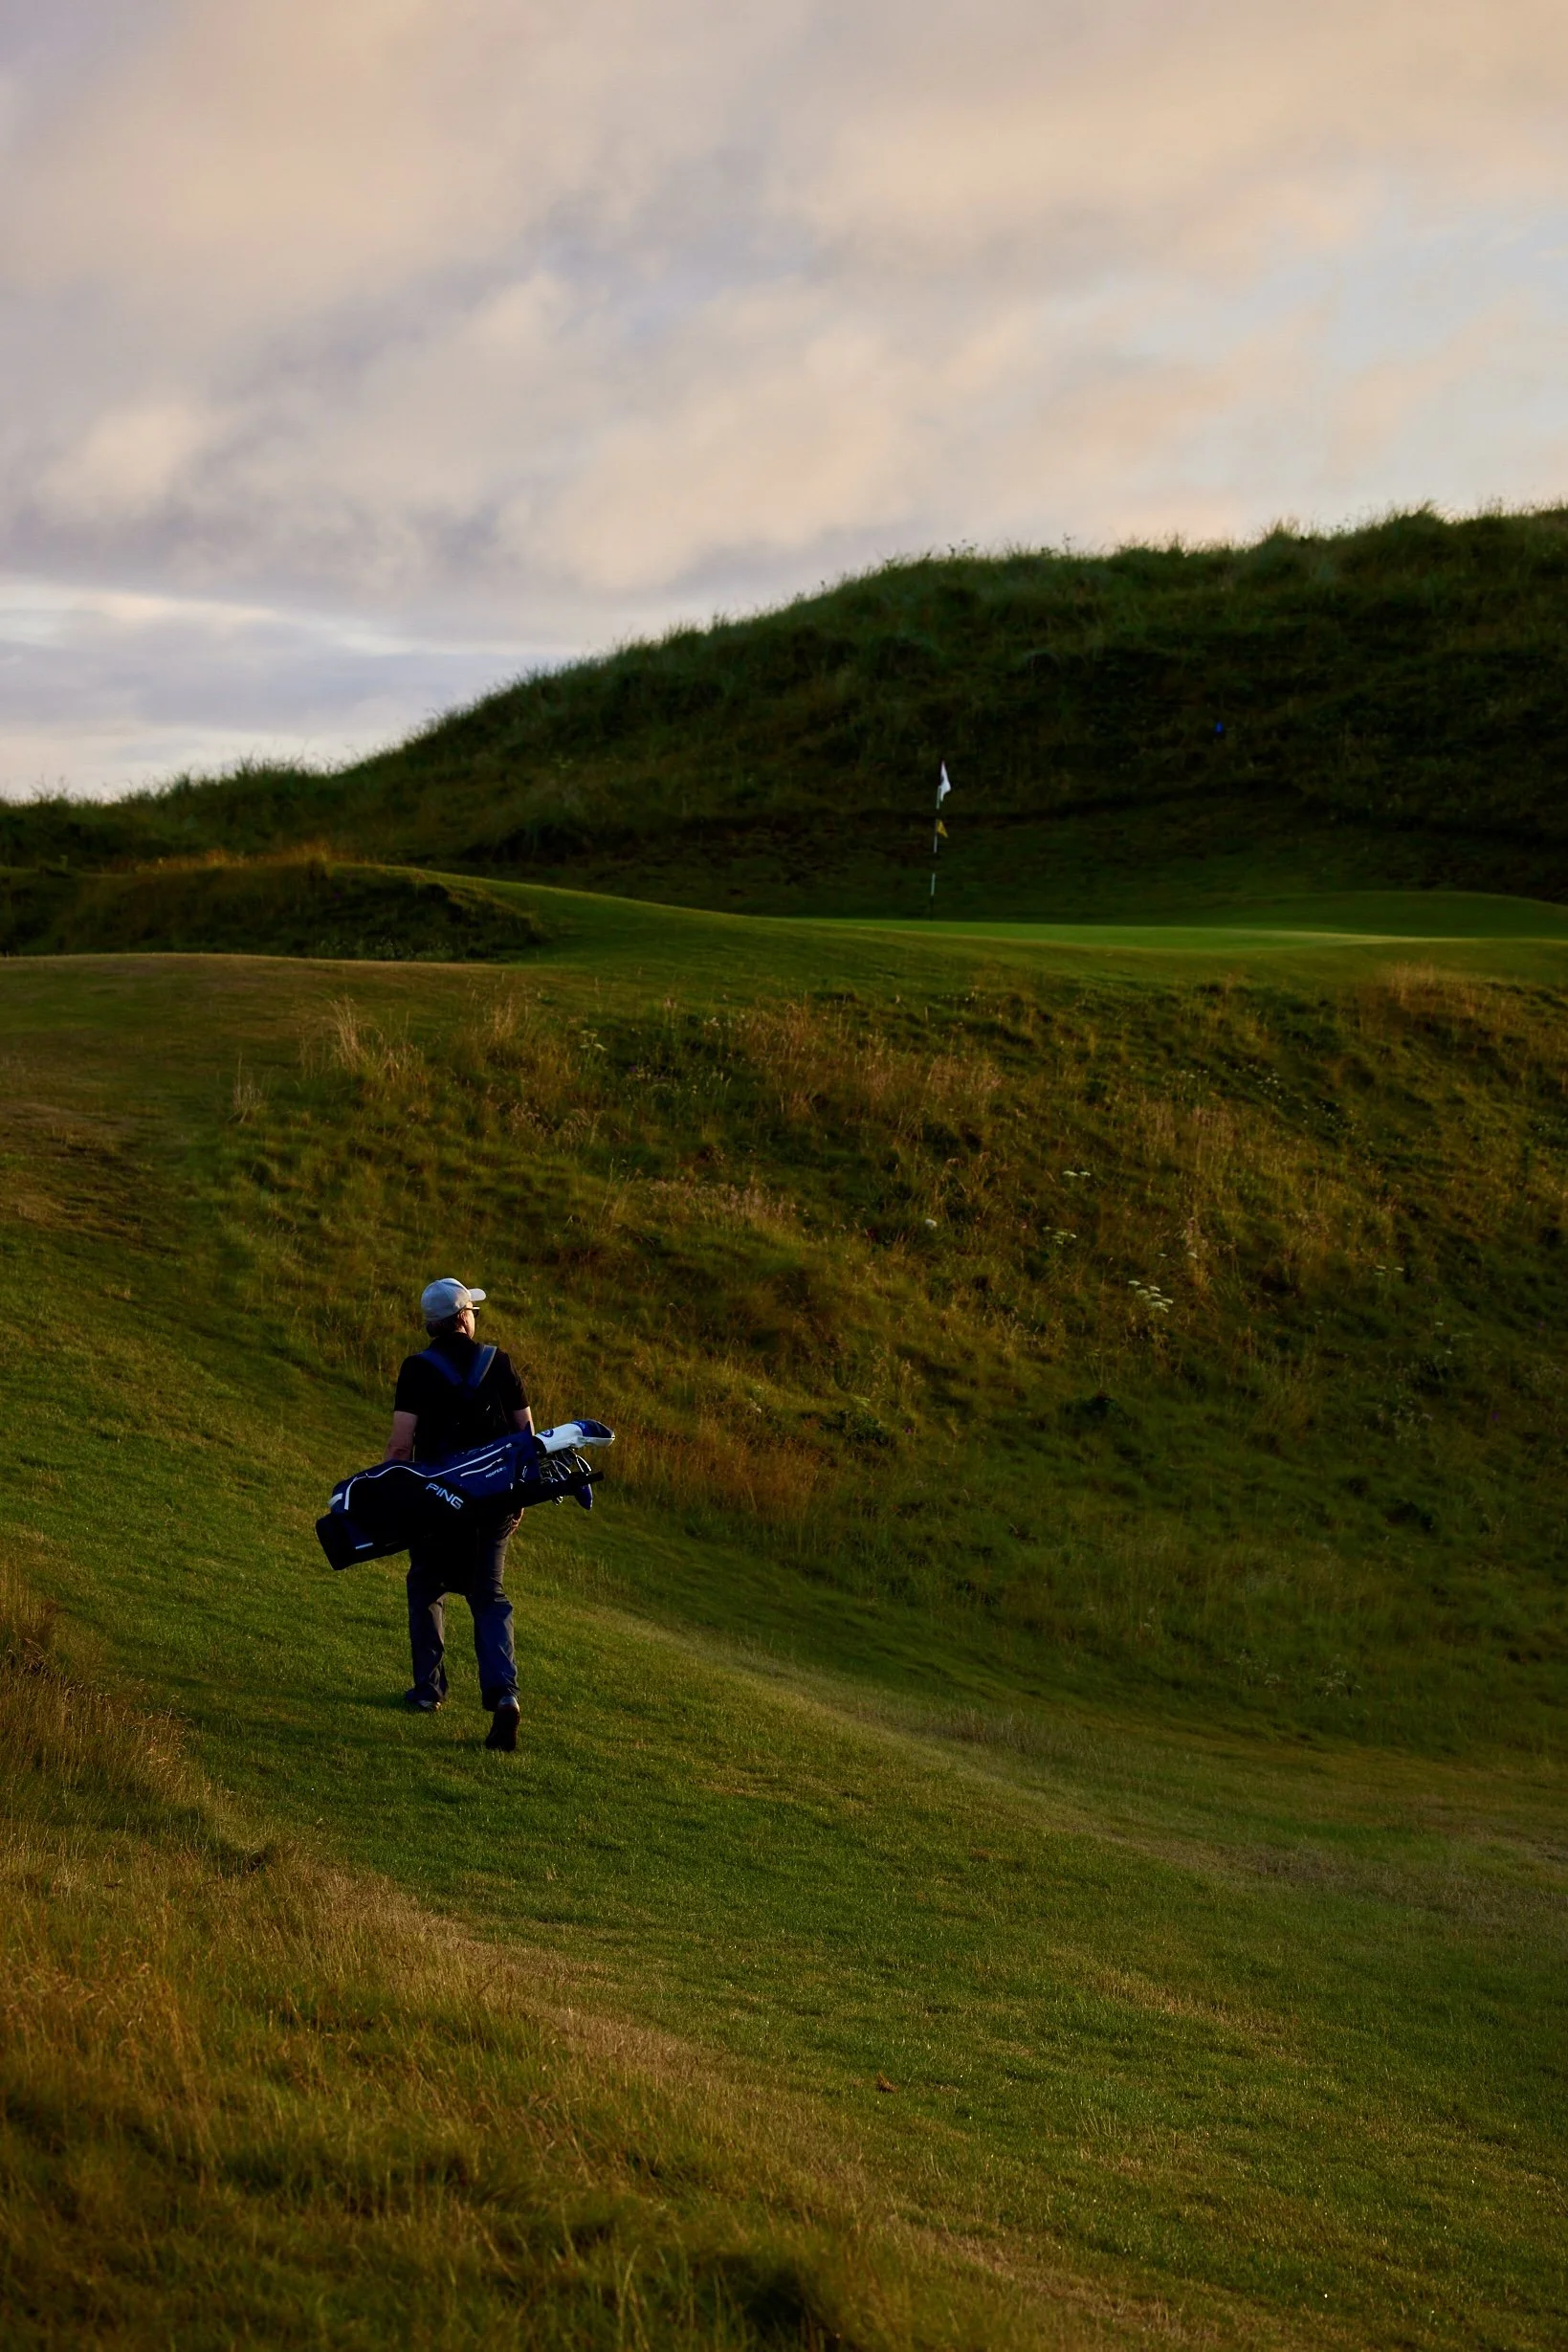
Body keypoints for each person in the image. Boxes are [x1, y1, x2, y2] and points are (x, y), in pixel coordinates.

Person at [387, 1277, 535, 1751]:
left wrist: (398, 1498)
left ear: (431, 1325)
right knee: (488, 1596)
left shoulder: (416, 1369)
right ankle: (505, 1696)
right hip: (493, 1500)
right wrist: (520, 1496)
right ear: (463, 1318)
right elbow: (526, 1435)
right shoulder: (499, 1362)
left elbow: (400, 1447)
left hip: (438, 1500)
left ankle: (428, 1691)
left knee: (426, 1586)